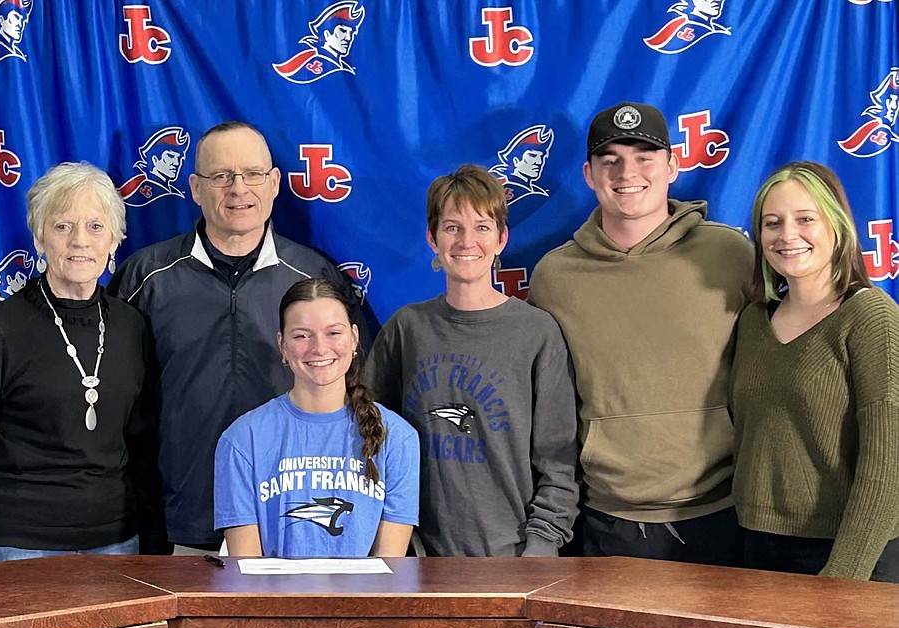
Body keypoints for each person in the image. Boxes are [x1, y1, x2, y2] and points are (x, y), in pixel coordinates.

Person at [109, 121, 366, 554]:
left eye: (252, 174)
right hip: (180, 526)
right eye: (221, 176)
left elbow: (355, 395)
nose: (238, 188)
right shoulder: (146, 277)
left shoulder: (314, 276)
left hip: (292, 523)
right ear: (194, 187)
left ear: (274, 183)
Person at [529, 102, 753, 566]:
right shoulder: (554, 276)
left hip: (725, 511)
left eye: (644, 156)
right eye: (610, 159)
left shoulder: (730, 254)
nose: (626, 171)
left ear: (672, 166)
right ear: (589, 174)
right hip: (609, 518)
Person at [364, 164, 579, 557]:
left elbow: (559, 459)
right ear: (432, 238)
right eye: (452, 227)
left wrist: (541, 547)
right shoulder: (407, 329)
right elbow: (369, 437)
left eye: (482, 227)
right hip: (417, 558)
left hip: (512, 556)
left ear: (501, 238)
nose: (467, 241)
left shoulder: (536, 332)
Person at [0, 162, 161, 562]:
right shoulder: (0, 328)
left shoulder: (130, 326)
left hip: (116, 542)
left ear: (115, 241)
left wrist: (152, 539)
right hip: (15, 544)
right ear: (39, 238)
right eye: (63, 226)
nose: (79, 241)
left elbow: (143, 445)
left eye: (95, 227)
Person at [731, 161, 899, 582]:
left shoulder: (870, 318)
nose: (788, 235)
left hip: (851, 553)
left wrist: (843, 578)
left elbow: (888, 466)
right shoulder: (752, 321)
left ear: (837, 226)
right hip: (758, 546)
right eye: (773, 223)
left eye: (806, 219)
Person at [214, 278, 417, 558]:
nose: (319, 348)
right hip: (273, 602)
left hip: (364, 602)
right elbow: (246, 570)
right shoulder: (242, 438)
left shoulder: (399, 437)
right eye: (301, 336)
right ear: (282, 345)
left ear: (354, 338)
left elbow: (389, 569)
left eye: (333, 333)